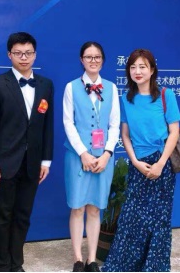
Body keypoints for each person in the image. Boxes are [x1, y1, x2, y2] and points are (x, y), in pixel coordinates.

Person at [102, 49, 180, 272]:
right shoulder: (126, 99)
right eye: (133, 67)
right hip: (138, 164)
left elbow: (174, 132)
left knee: (159, 219)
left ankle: (155, 267)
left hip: (162, 164)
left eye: (142, 67)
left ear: (152, 70)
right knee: (132, 217)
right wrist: (135, 162)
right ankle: (126, 265)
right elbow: (125, 135)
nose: (137, 71)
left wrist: (161, 164)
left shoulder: (166, 95)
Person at [0, 32, 54, 272]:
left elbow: (47, 126)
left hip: (32, 162)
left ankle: (16, 263)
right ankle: (1, 265)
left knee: (23, 215)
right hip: (4, 163)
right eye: (18, 53)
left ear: (35, 55)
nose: (24, 57)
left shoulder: (45, 85)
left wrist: (46, 160)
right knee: (1, 216)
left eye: (28, 53)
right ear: (9, 55)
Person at [62, 42, 120, 272]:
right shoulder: (71, 87)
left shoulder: (112, 88)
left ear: (102, 60)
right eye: (88, 57)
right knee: (77, 208)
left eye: (97, 57)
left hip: (103, 158)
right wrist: (83, 153)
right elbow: (68, 123)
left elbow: (114, 125)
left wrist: (107, 154)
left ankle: (92, 259)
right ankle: (78, 258)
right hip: (78, 157)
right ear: (81, 60)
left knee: (95, 209)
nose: (93, 61)